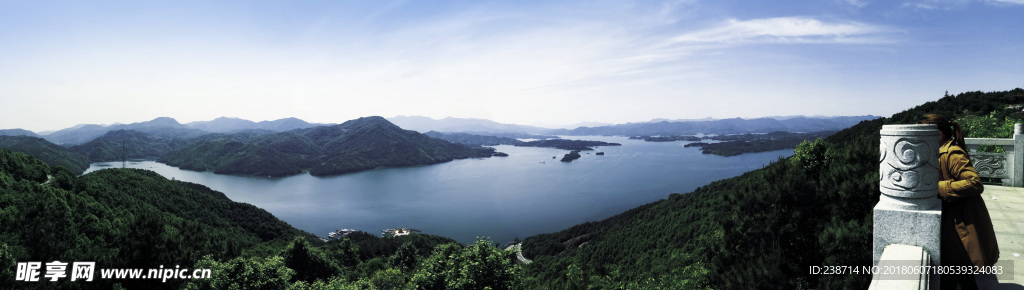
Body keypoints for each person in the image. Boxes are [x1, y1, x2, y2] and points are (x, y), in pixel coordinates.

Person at [920, 114, 999, 290]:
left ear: (938, 134)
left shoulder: (952, 153)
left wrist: (937, 186)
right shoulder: (941, 149)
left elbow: (975, 183)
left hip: (960, 219)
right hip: (953, 219)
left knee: (957, 268)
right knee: (957, 271)